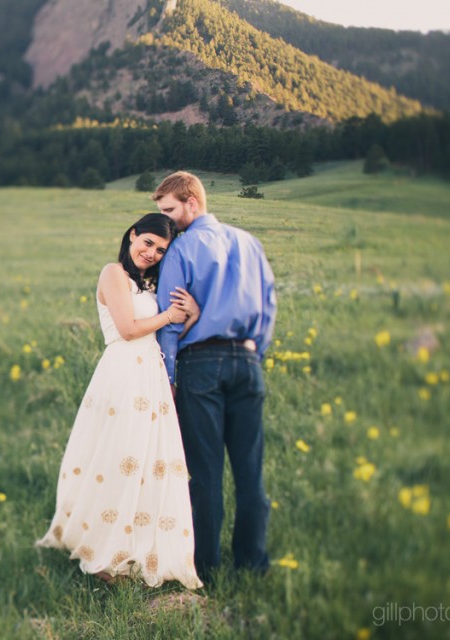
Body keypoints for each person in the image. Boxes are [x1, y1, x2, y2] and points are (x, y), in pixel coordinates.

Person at [36, 213, 203, 590]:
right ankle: (103, 550)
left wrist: (187, 314)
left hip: (152, 377)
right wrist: (166, 315)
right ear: (132, 235)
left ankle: (136, 543)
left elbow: (167, 327)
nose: (152, 253)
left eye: (160, 250)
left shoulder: (150, 282)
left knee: (147, 459)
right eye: (147, 243)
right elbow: (128, 329)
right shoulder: (113, 273)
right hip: (124, 372)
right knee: (119, 457)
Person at [153, 171, 277, 584]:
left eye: (170, 210)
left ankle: (204, 567)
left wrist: (168, 377)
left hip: (201, 365)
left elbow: (170, 324)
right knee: (249, 471)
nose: (167, 221)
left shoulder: (181, 250)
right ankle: (253, 565)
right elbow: (270, 305)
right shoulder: (250, 243)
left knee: (205, 474)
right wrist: (254, 351)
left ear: (192, 202)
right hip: (248, 362)